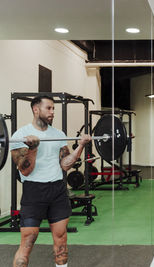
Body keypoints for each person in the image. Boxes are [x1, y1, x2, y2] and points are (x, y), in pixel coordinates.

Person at [10, 95, 92, 267]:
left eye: (54, 108)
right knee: (28, 241)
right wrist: (32, 149)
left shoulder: (58, 134)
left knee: (61, 239)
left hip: (57, 190)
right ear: (36, 109)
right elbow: (24, 169)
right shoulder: (20, 135)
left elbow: (65, 165)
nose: (53, 112)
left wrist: (81, 146)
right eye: (49, 108)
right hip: (34, 191)